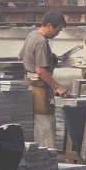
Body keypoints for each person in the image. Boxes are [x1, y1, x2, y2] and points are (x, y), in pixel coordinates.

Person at [22, 10, 67, 150]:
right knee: (45, 127)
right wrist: (57, 86)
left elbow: (21, 56)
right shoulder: (41, 42)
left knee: (36, 125)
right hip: (39, 89)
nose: (57, 34)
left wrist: (48, 55)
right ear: (49, 25)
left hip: (28, 86)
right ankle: (45, 156)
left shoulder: (32, 35)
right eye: (57, 30)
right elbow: (40, 70)